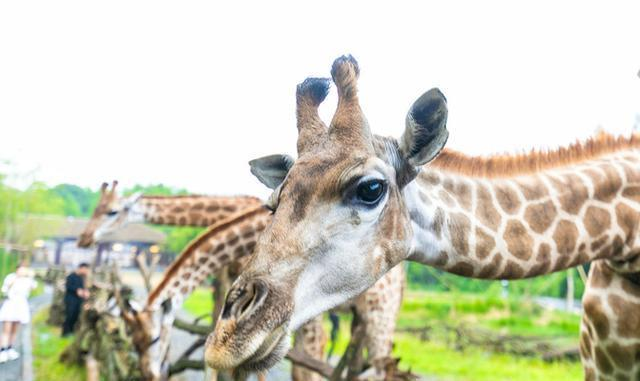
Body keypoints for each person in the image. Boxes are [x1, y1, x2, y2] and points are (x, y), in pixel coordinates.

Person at [0, 263, 37, 363]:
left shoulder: (27, 280)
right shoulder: (10, 277)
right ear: (17, 269)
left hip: (21, 306)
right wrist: (15, 279)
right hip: (11, 304)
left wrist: (30, 276)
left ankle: (10, 348)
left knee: (15, 329)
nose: (22, 271)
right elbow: (4, 290)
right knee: (6, 329)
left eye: (24, 269)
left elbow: (34, 287)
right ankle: (2, 350)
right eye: (21, 269)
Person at [62, 263, 90, 336]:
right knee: (69, 316)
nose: (86, 272)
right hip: (71, 300)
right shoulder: (71, 276)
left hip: (79, 300)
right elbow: (68, 286)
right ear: (81, 268)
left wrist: (85, 292)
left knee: (75, 316)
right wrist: (76, 290)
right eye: (85, 270)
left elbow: (83, 288)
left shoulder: (81, 278)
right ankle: (65, 333)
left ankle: (71, 332)